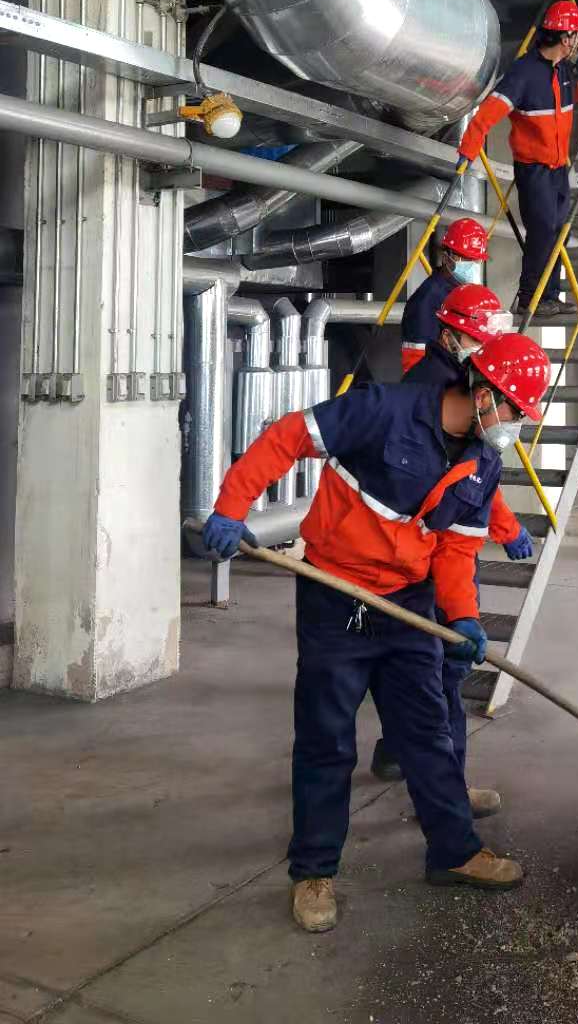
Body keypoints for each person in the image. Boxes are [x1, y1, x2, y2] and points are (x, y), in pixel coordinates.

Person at [199, 332, 552, 932]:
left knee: (428, 732)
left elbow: (454, 553)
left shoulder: (482, 466)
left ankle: (454, 853)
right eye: (516, 411)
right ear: (484, 394)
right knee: (327, 739)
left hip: (406, 604)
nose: (516, 426)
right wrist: (232, 508)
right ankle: (314, 872)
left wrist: (462, 617)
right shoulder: (382, 410)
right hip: (335, 595)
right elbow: (287, 436)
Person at [370, 283, 536, 785]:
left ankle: (399, 752)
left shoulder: (453, 379)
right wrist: (506, 528)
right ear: (451, 335)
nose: (486, 350)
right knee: (442, 670)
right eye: (479, 340)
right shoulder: (441, 390)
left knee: (421, 667)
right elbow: (471, 483)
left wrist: (503, 527)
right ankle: (445, 789)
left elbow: (476, 481)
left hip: (433, 544)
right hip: (435, 548)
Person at [459, 0, 578, 318]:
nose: (577, 42)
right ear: (565, 38)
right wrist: (468, 150)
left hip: (558, 167)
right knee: (542, 229)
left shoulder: (564, 71)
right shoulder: (524, 72)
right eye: (576, 35)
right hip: (534, 169)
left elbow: (565, 103)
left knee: (559, 230)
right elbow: (488, 112)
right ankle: (530, 297)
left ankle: (550, 294)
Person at [400, 215, 488, 372]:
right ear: (446, 257)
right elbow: (416, 364)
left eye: (476, 260)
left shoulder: (464, 292)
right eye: (465, 258)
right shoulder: (425, 300)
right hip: (439, 382)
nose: (472, 265)